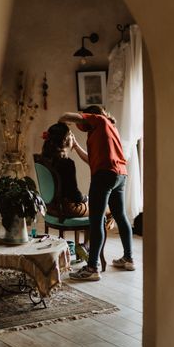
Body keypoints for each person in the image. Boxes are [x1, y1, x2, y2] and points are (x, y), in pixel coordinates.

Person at [60, 105, 135, 281]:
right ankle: (128, 258)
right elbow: (91, 161)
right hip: (120, 175)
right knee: (120, 216)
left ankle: (92, 267)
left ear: (91, 116)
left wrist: (62, 123)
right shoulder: (108, 128)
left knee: (96, 221)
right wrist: (76, 145)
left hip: (104, 176)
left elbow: (66, 114)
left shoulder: (99, 120)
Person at [35, 122, 90, 219]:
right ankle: (93, 232)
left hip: (50, 207)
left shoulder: (42, 159)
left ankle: (89, 228)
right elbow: (75, 196)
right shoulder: (67, 163)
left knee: (94, 211)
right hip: (67, 209)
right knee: (105, 210)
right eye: (71, 135)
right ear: (66, 140)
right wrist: (85, 198)